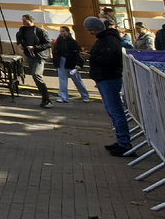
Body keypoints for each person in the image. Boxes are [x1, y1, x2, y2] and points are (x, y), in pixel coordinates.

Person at [86, 16, 132, 155]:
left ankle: (124, 143)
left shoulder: (109, 40)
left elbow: (108, 59)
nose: (90, 33)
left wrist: (91, 57)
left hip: (108, 77)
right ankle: (121, 140)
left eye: (90, 29)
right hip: (105, 77)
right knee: (112, 109)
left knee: (115, 110)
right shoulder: (106, 39)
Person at [15, 14, 52, 108]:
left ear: (31, 21)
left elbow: (48, 44)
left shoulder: (40, 31)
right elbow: (18, 36)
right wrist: (19, 44)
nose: (24, 22)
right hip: (30, 56)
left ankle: (47, 99)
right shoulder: (22, 30)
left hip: (39, 56)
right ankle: (44, 98)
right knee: (35, 76)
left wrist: (34, 48)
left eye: (25, 21)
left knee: (37, 74)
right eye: (23, 21)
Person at [52, 25, 91, 103]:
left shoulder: (73, 42)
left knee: (77, 79)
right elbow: (55, 52)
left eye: (63, 31)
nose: (62, 33)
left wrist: (79, 64)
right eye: (61, 32)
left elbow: (78, 54)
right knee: (62, 80)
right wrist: (56, 62)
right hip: (61, 61)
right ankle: (63, 96)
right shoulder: (58, 42)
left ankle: (85, 95)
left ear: (67, 32)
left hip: (71, 62)